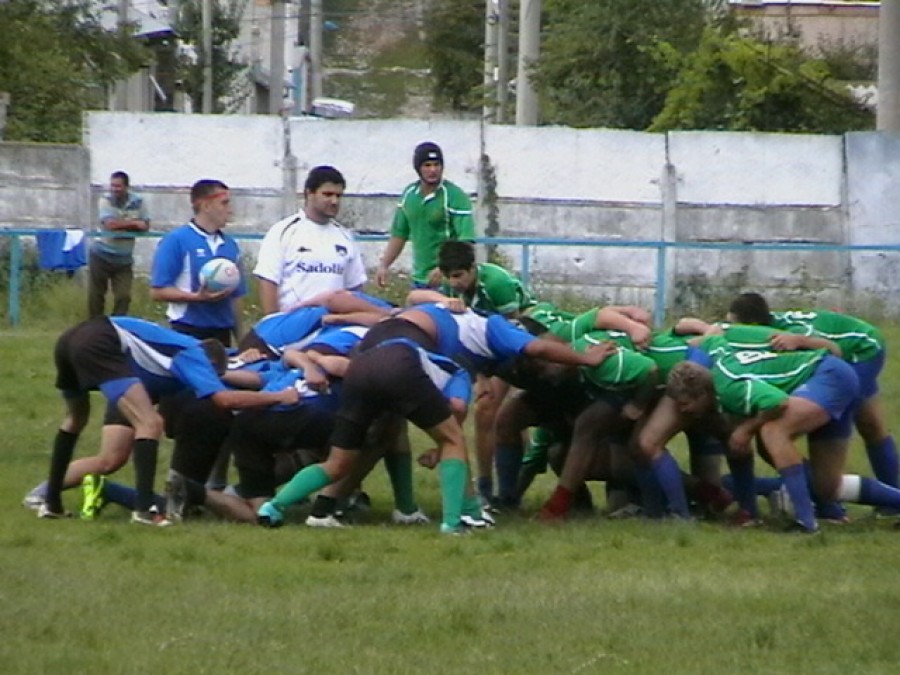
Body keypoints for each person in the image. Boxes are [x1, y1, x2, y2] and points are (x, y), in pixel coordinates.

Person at [35, 316, 298, 525]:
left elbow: (228, 357)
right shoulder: (193, 355)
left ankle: (51, 504)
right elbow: (224, 400)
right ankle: (144, 512)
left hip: (72, 338)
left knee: (74, 419)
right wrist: (279, 397)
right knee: (150, 424)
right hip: (102, 339)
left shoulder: (187, 346)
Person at [254, 166, 367, 315]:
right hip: (293, 325)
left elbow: (355, 288)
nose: (334, 201)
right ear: (309, 193)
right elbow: (268, 281)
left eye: (339, 196)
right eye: (327, 194)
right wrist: (273, 324)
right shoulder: (283, 231)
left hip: (332, 327)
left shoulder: (345, 237)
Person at [150, 179, 247, 346]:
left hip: (221, 332)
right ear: (206, 206)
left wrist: (243, 342)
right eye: (224, 203)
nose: (230, 210)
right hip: (187, 330)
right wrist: (196, 297)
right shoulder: (177, 240)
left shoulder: (231, 246)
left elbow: (236, 298)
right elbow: (157, 291)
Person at [375, 142, 476, 289]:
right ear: (418, 168)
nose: (433, 170)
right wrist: (384, 265)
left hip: (446, 280)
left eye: (437, 164)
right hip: (419, 279)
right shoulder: (409, 195)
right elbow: (399, 234)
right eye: (427, 165)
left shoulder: (455, 196)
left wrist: (444, 268)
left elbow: (466, 241)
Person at [87, 171, 150, 318]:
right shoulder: (105, 200)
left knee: (124, 296)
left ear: (127, 187)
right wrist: (134, 223)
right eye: (112, 185)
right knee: (96, 295)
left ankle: (116, 326)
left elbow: (146, 226)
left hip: (124, 259)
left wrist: (125, 225)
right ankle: (95, 326)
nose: (115, 189)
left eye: (118, 186)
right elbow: (110, 224)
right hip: (101, 255)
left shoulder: (138, 202)